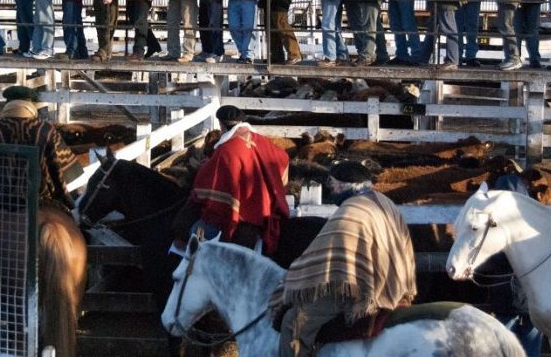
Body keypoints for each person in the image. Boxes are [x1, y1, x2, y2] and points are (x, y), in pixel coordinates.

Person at [269, 160, 417, 357]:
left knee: (293, 321)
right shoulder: (385, 202)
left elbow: (325, 257)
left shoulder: (351, 211)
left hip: (362, 290)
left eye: (333, 183)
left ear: (344, 185)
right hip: (393, 284)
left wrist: (294, 276)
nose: (331, 188)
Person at [172, 105, 290, 255]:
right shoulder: (261, 140)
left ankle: (197, 264)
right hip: (265, 209)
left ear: (222, 125)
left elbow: (208, 184)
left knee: (196, 231)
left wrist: (203, 167)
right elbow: (283, 157)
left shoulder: (226, 150)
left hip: (242, 214)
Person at [0, 86, 84, 214]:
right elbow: (60, 167)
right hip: (42, 198)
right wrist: (63, 195)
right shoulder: (46, 129)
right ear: (30, 105)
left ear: (7, 104)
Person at [476, 174, 544, 356]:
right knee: (531, 347)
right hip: (532, 298)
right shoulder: (536, 223)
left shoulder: (493, 226)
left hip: (504, 297)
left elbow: (489, 259)